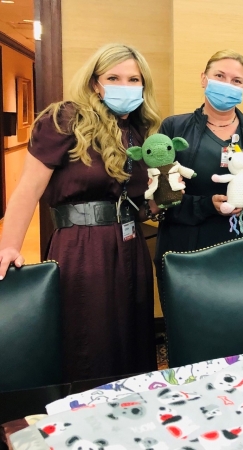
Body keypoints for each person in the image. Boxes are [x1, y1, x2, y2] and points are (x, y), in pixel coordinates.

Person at [0, 43, 160, 381]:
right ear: (94, 83)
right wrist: (8, 246)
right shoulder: (65, 119)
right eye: (114, 77)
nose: (125, 86)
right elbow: (28, 188)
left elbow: (137, 202)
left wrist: (163, 200)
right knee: (89, 343)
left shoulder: (136, 131)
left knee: (132, 341)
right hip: (83, 249)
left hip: (131, 247)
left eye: (134, 80)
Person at [154, 50, 243, 278]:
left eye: (236, 81)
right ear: (203, 79)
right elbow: (162, 197)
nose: (228, 84)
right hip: (189, 255)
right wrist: (207, 205)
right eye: (219, 76)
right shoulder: (175, 129)